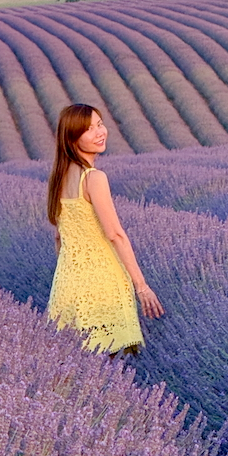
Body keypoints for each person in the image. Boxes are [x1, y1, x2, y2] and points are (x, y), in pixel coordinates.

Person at [46, 103, 164, 355]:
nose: (100, 132)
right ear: (72, 138)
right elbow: (116, 235)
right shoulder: (93, 178)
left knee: (74, 364)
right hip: (103, 285)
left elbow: (59, 239)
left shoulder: (60, 178)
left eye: (100, 124)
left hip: (67, 285)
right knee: (108, 362)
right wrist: (142, 287)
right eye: (89, 129)